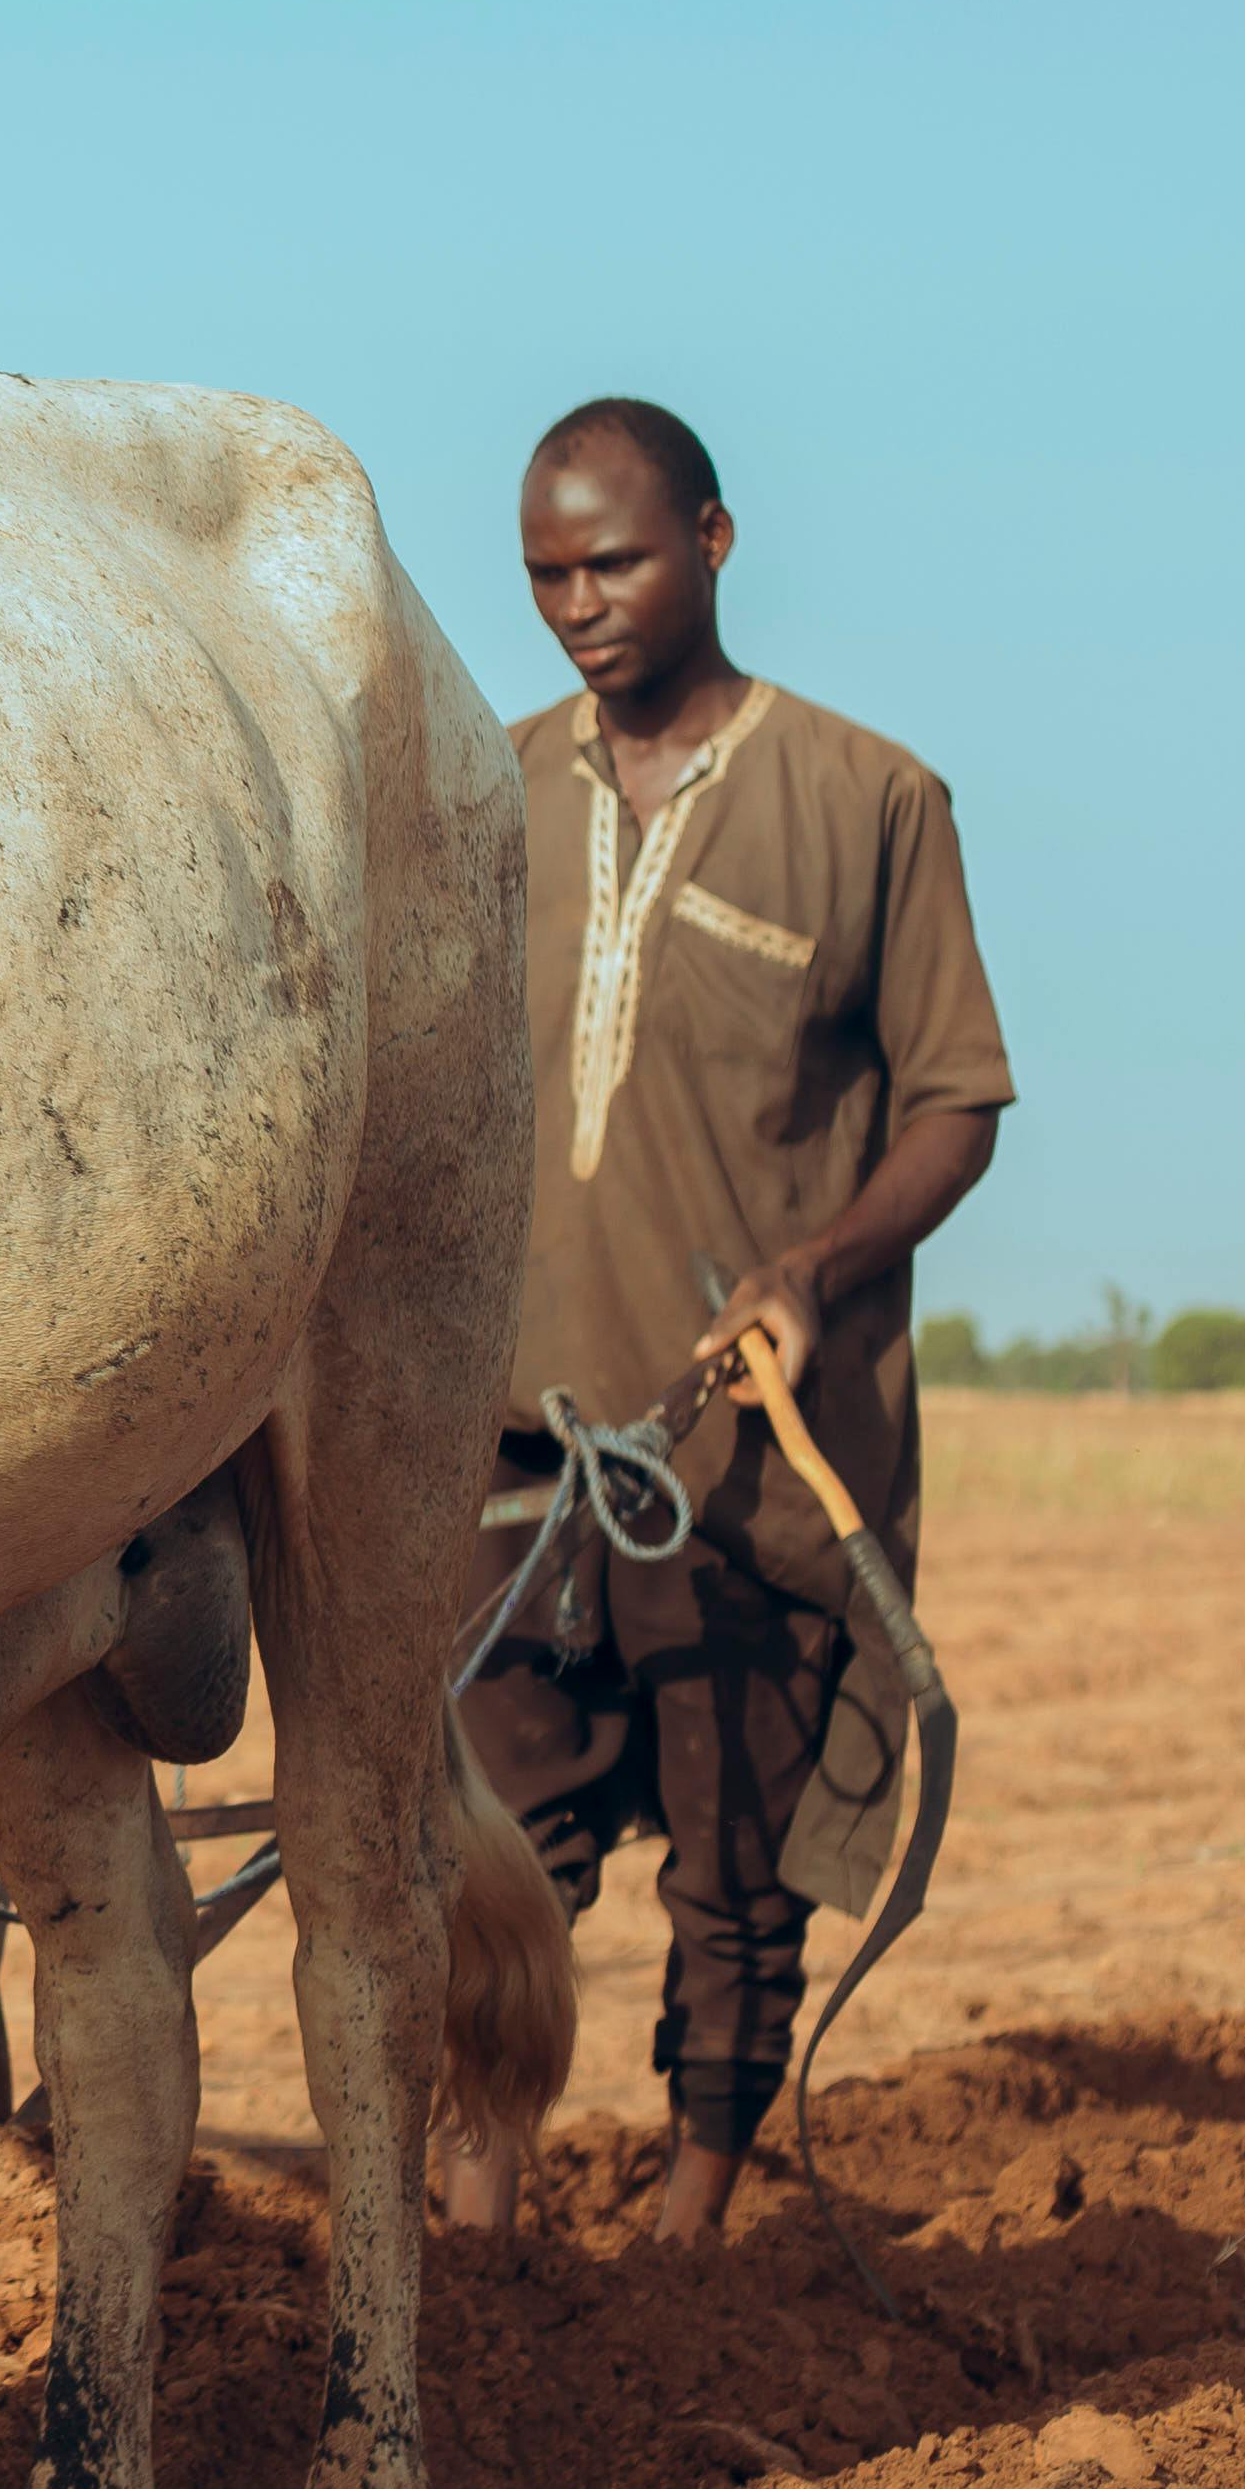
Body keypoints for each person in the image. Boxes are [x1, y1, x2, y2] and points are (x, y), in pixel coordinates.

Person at [444, 398, 1011, 2242]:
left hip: (745, 1445)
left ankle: (696, 2224)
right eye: (544, 573)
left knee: (737, 1865)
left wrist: (817, 1267)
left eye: (612, 560)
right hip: (512, 1449)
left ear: (714, 538)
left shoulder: (869, 804)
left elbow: (953, 1103)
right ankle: (478, 2196)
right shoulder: (482, 801)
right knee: (490, 1839)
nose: (577, 605)